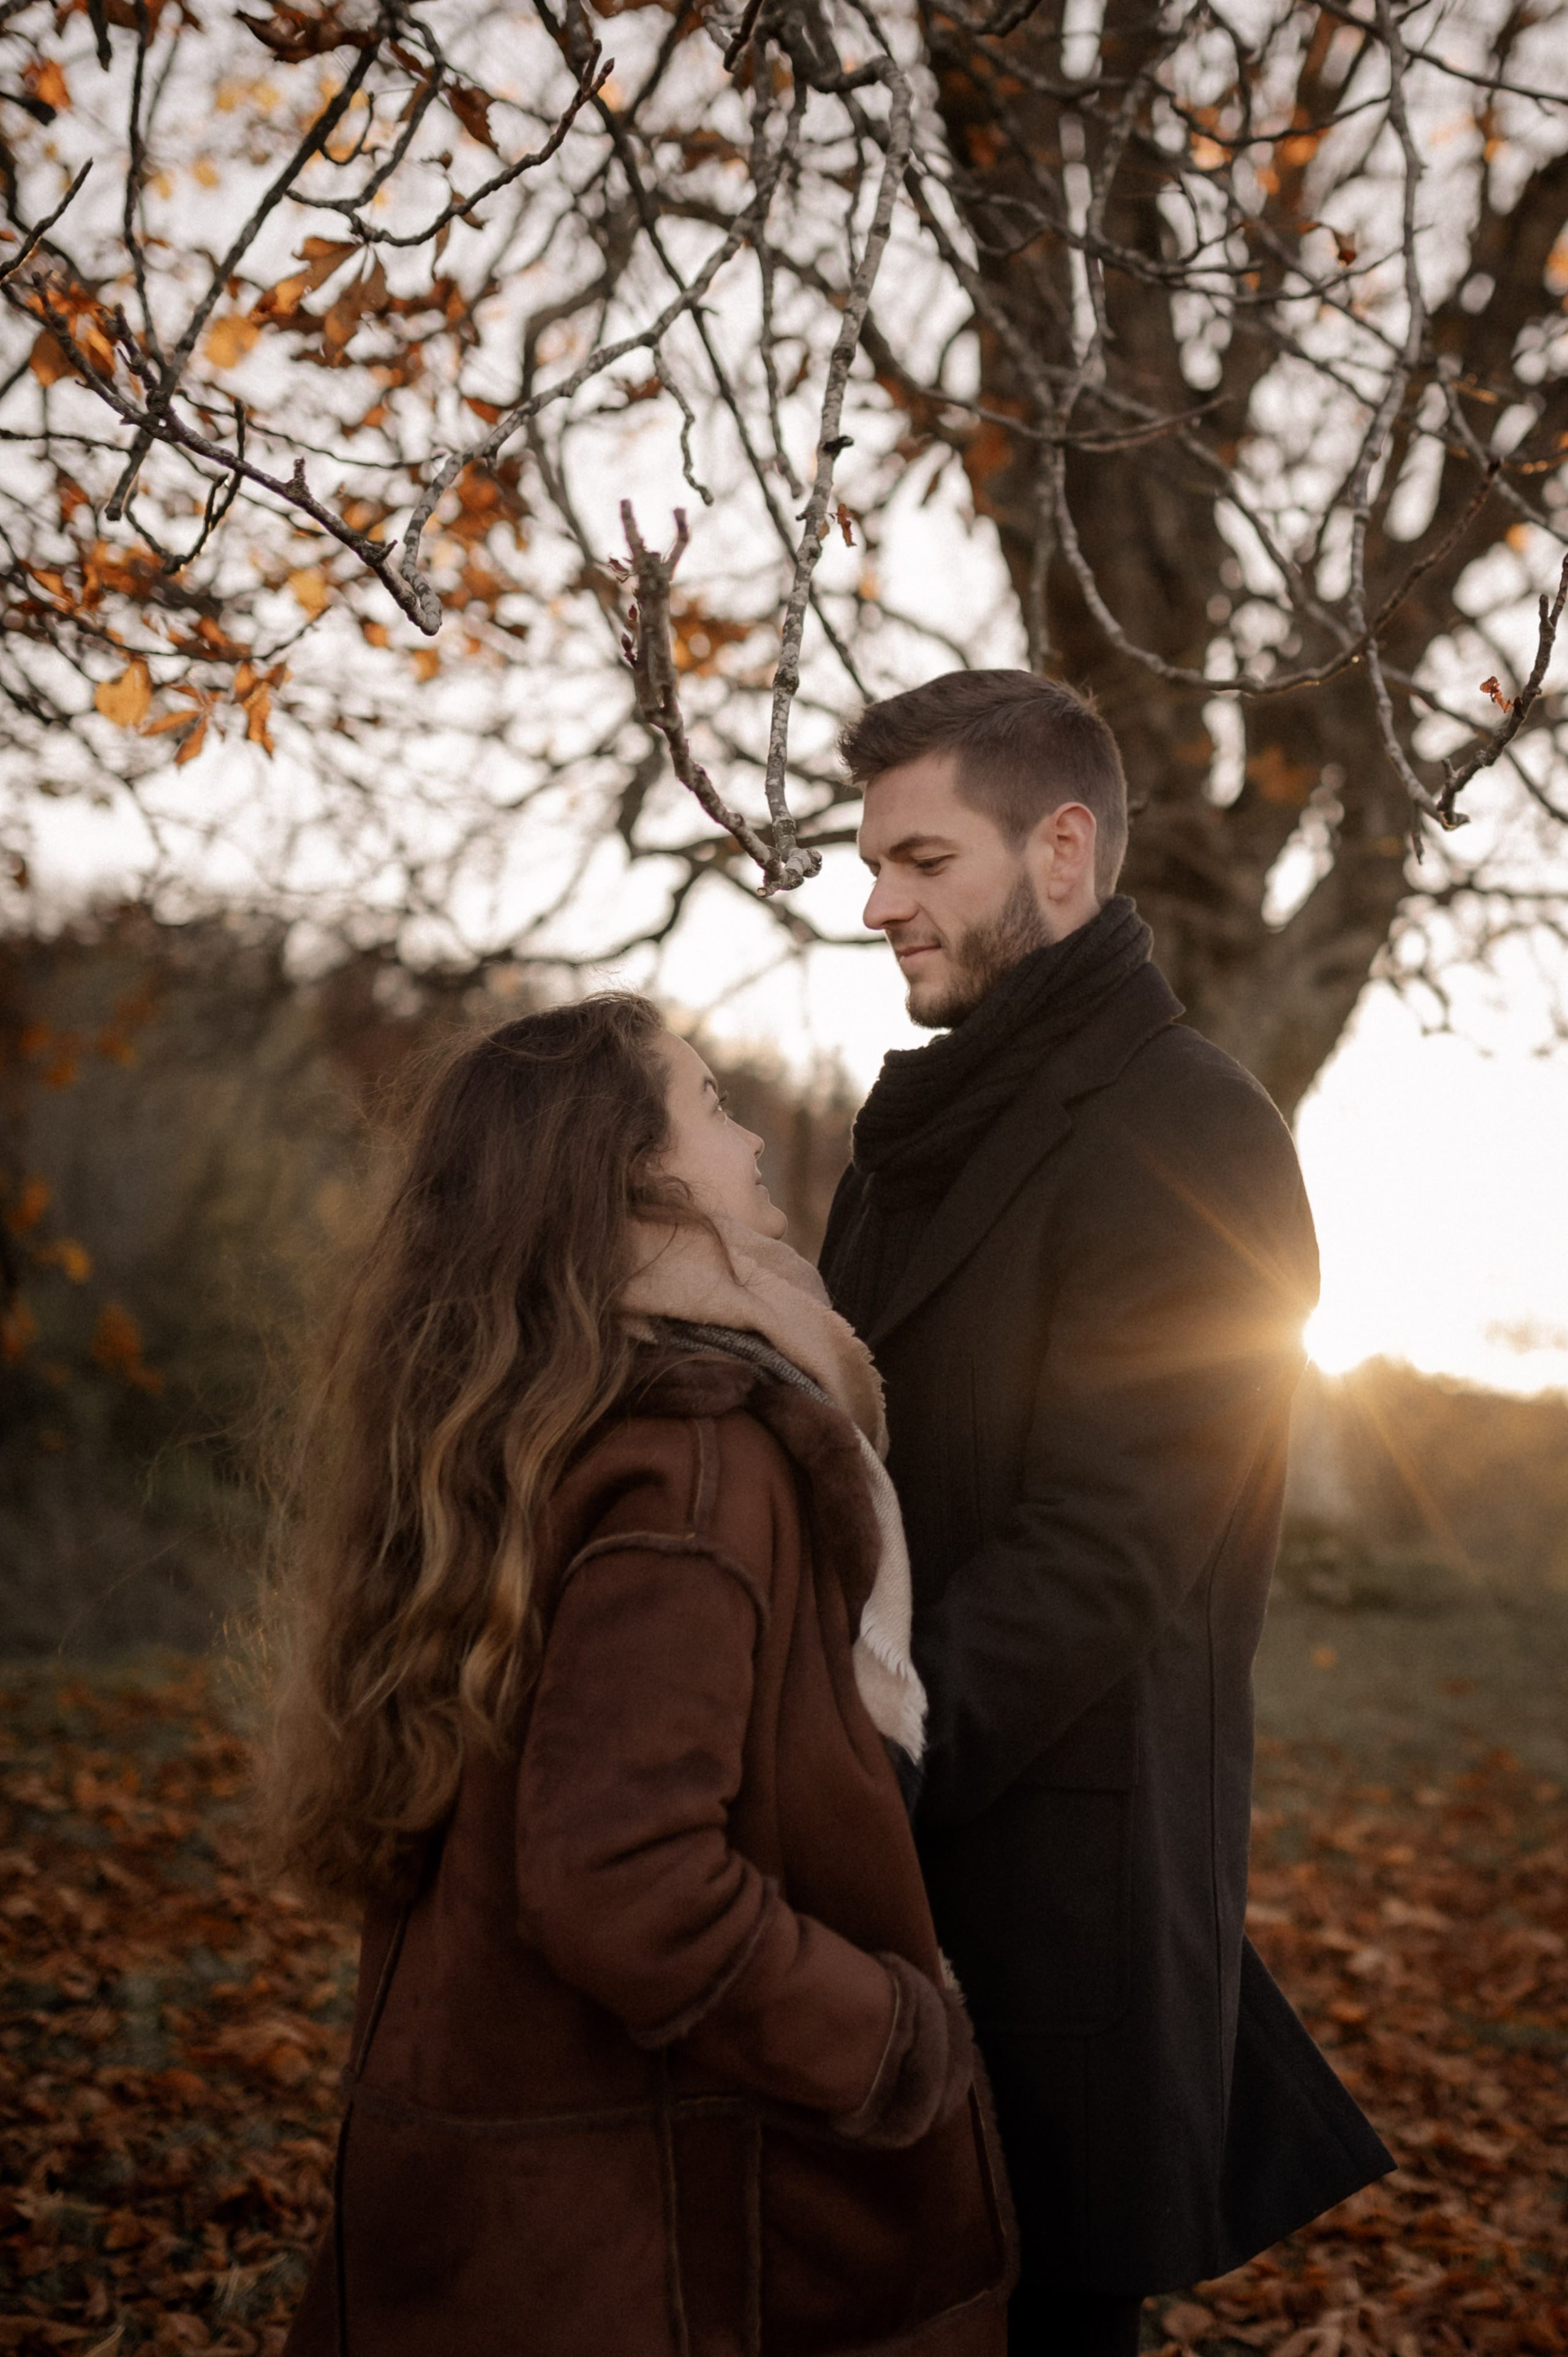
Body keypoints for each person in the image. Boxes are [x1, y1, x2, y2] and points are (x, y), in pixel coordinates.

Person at [263, 992, 1014, 2357]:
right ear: (640, 1170)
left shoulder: (538, 1411)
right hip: (651, 2232)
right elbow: (619, 1874)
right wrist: (893, 2036)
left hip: (499, 2193)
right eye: (714, 1106)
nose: (750, 1142)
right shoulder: (692, 1452)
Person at [818, 671, 1393, 2356]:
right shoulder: (910, 1134)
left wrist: (867, 1761)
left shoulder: (1193, 1128)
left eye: (923, 859)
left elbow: (1114, 1538)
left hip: (1056, 1897)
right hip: (874, 1875)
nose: (878, 903)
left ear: (1060, 852)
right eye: (876, 861)